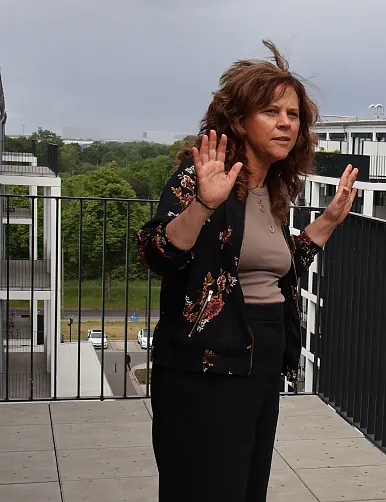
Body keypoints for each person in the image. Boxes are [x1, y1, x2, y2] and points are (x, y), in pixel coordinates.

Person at [137, 40, 358, 502]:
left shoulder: (270, 189)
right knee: (204, 487)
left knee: (245, 485)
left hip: (259, 358)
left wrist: (329, 221)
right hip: (205, 367)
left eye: (293, 115)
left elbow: (274, 272)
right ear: (239, 121)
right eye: (271, 112)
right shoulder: (203, 177)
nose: (285, 123)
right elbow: (157, 253)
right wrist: (202, 204)